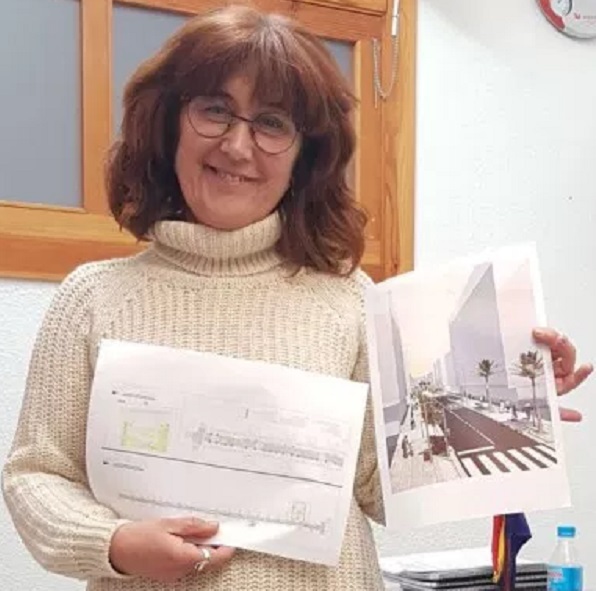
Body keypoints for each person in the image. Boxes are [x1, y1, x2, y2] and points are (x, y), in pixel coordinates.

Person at [2, 5, 592, 591]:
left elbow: (378, 490)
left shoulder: (350, 300)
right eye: (214, 110)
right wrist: (114, 544)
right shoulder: (93, 297)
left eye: (272, 123)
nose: (238, 145)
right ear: (169, 124)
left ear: (304, 156)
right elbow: (36, 474)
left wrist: (511, 403)